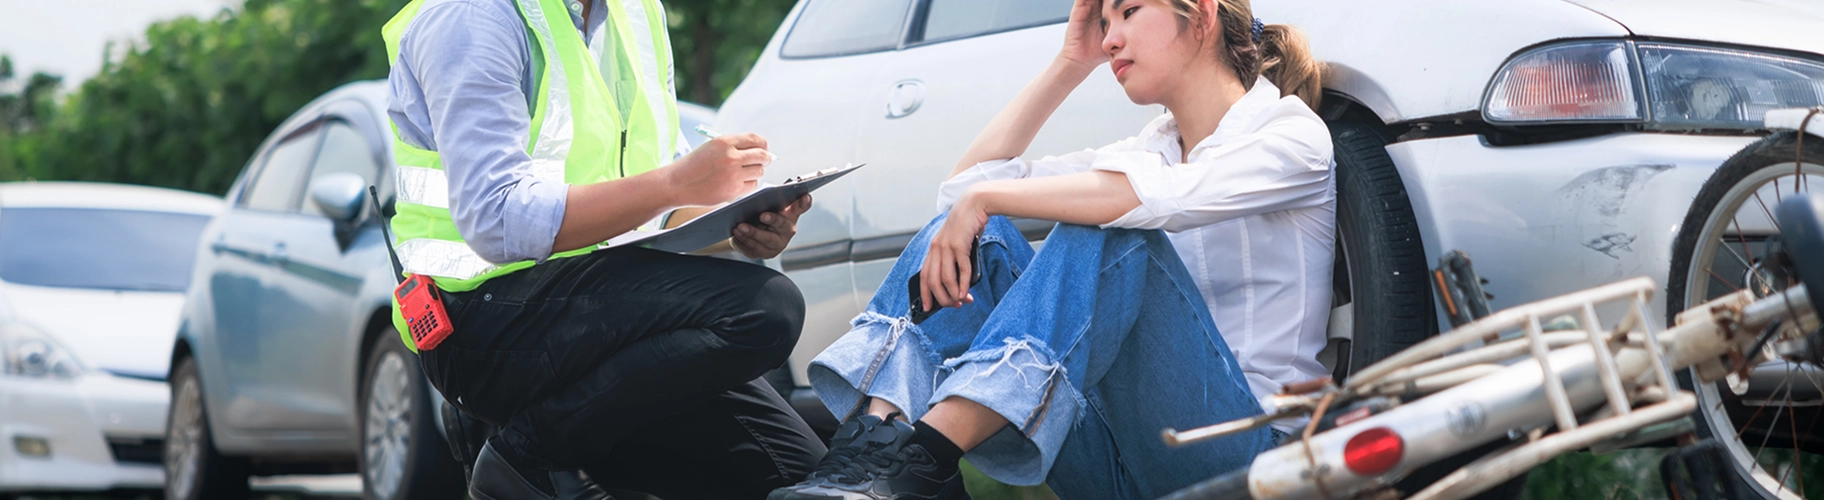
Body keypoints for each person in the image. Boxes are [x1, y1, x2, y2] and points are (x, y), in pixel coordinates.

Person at [769, 0, 1331, 498]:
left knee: (1111, 227)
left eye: (1129, 12)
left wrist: (984, 197)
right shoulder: (1149, 150)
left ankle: (922, 458)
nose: (1110, 38)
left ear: (1202, 14)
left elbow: (1152, 201)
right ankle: (875, 451)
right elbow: (961, 193)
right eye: (1104, 22)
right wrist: (1070, 63)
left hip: (1250, 453)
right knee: (978, 233)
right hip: (1123, 457)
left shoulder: (1288, 134)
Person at [380, 0, 825, 498]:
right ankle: (527, 456)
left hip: (598, 311)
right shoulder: (472, 16)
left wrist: (741, 225)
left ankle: (545, 449)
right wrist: (677, 182)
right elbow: (497, 219)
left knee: (803, 482)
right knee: (764, 308)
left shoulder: (636, 14)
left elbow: (649, 207)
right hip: (480, 320)